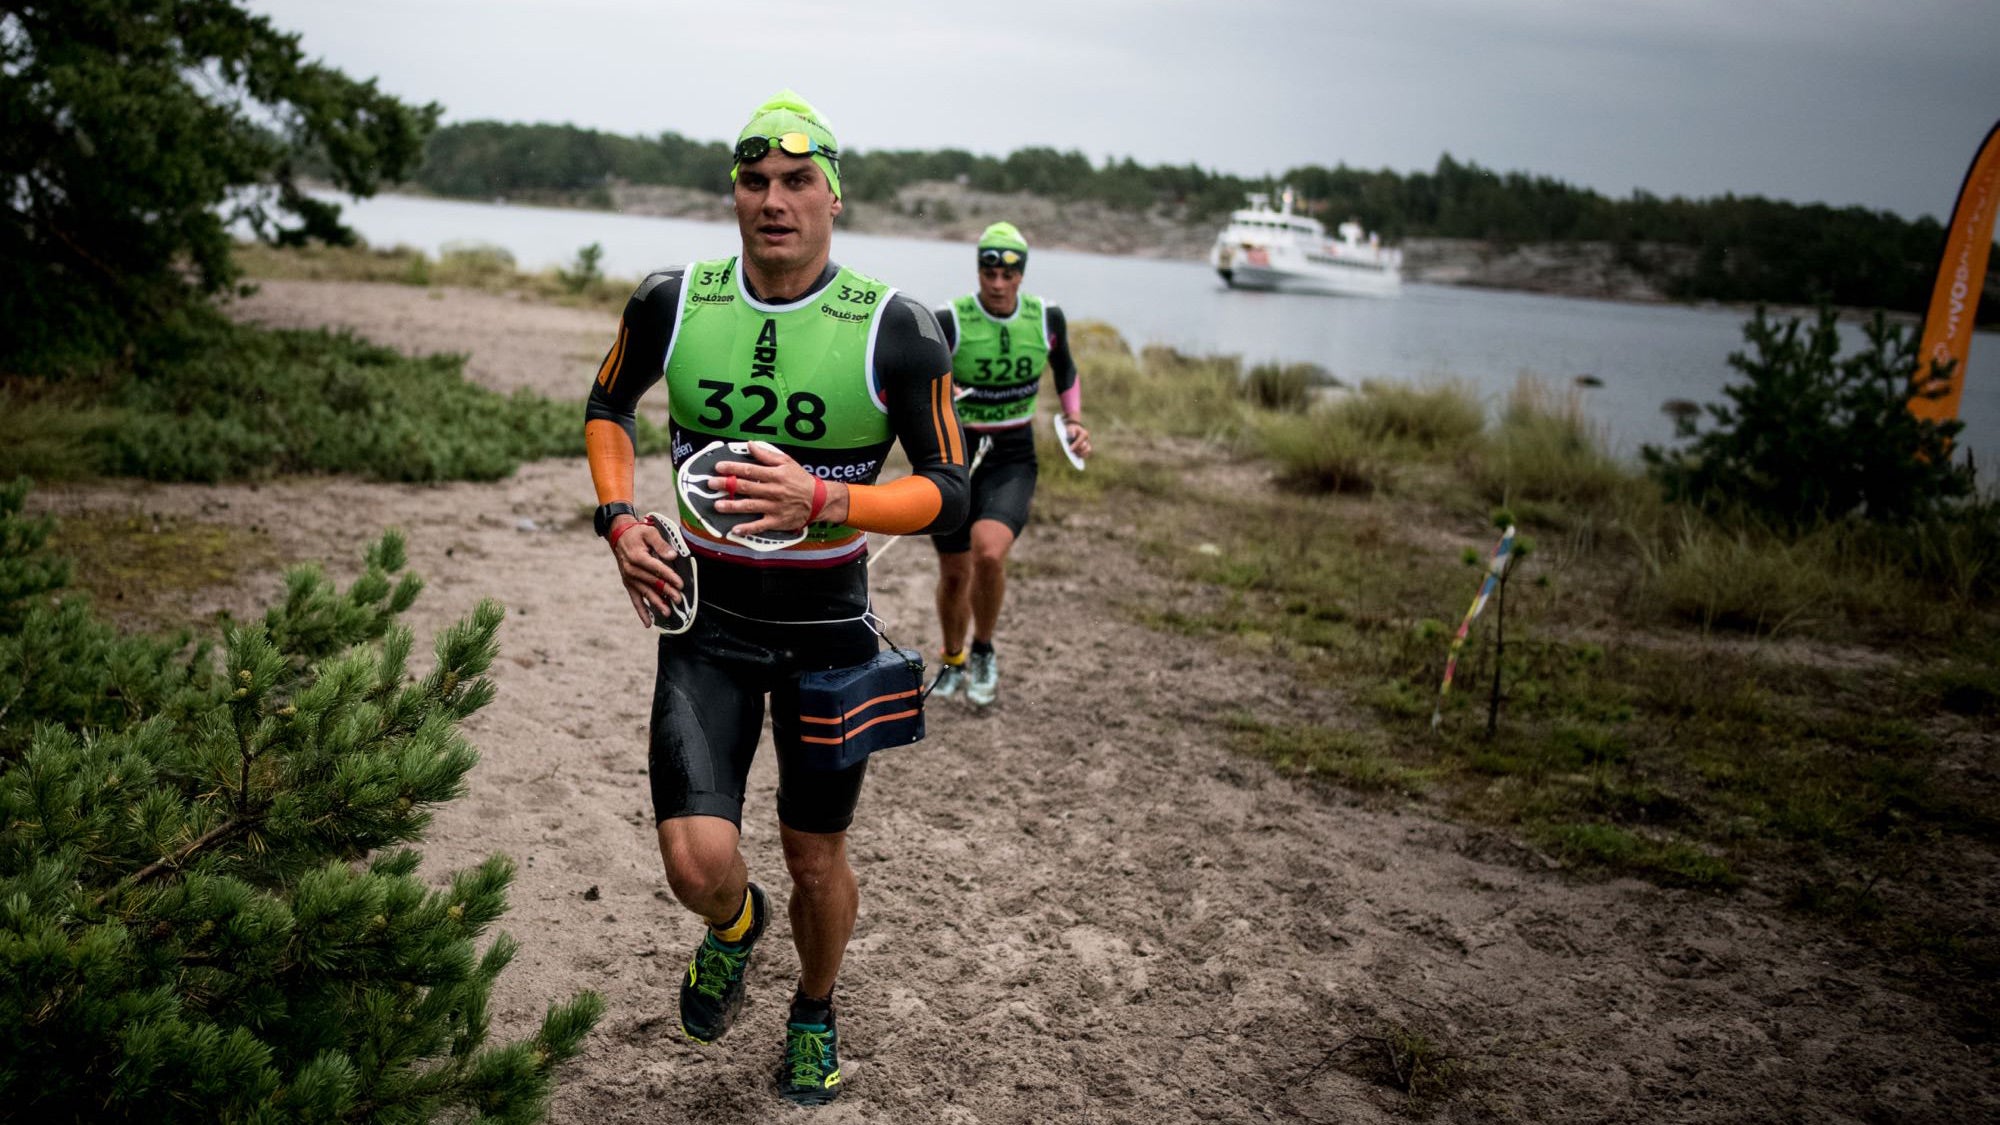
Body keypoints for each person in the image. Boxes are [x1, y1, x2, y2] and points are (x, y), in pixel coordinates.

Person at [582, 90, 967, 1106]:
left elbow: (950, 490)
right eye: (753, 181)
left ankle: (813, 1004)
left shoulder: (899, 327)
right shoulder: (674, 300)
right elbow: (608, 407)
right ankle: (732, 928)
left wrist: (826, 496)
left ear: (834, 198)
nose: (772, 200)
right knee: (693, 860)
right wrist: (619, 518)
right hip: (704, 622)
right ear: (735, 195)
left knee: (812, 855)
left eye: (798, 181)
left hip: (827, 636)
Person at [928, 222, 1090, 707]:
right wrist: (942, 393)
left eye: (1009, 273)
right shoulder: (950, 320)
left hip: (1012, 455)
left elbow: (1066, 370)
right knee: (954, 572)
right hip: (954, 456)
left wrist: (1075, 420)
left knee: (989, 552)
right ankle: (953, 658)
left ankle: (983, 650)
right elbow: (920, 378)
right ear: (979, 269)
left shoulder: (1046, 318)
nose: (998, 283)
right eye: (989, 271)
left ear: (1022, 274)